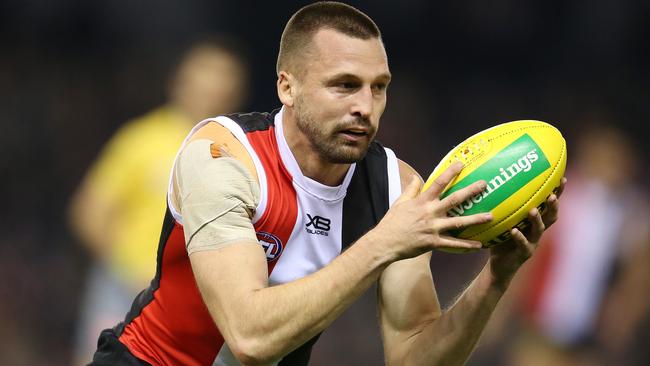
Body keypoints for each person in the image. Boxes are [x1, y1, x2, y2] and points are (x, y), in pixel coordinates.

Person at [89, 2, 565, 365]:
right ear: (287, 87)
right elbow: (250, 337)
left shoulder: (394, 189)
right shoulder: (223, 155)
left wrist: (496, 278)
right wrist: (384, 243)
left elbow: (414, 354)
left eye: (379, 87)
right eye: (344, 85)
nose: (366, 106)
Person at [68, 36, 249, 366]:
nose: (213, 89)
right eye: (205, 78)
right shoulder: (141, 140)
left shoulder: (242, 153)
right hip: (126, 291)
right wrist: (130, 270)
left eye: (223, 81)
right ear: (180, 83)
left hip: (199, 303)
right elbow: (89, 212)